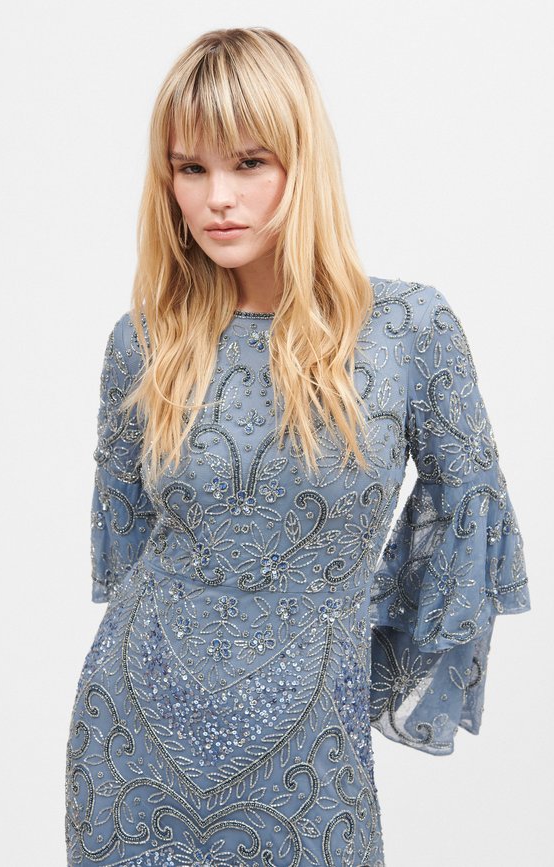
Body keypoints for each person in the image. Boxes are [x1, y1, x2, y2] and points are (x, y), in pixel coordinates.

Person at [65, 27, 531, 867]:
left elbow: (469, 514)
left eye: (250, 162)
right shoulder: (143, 343)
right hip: (134, 746)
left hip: (310, 752)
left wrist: (362, 662)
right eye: (190, 167)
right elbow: (130, 555)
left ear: (301, 162)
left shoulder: (409, 329)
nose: (218, 198)